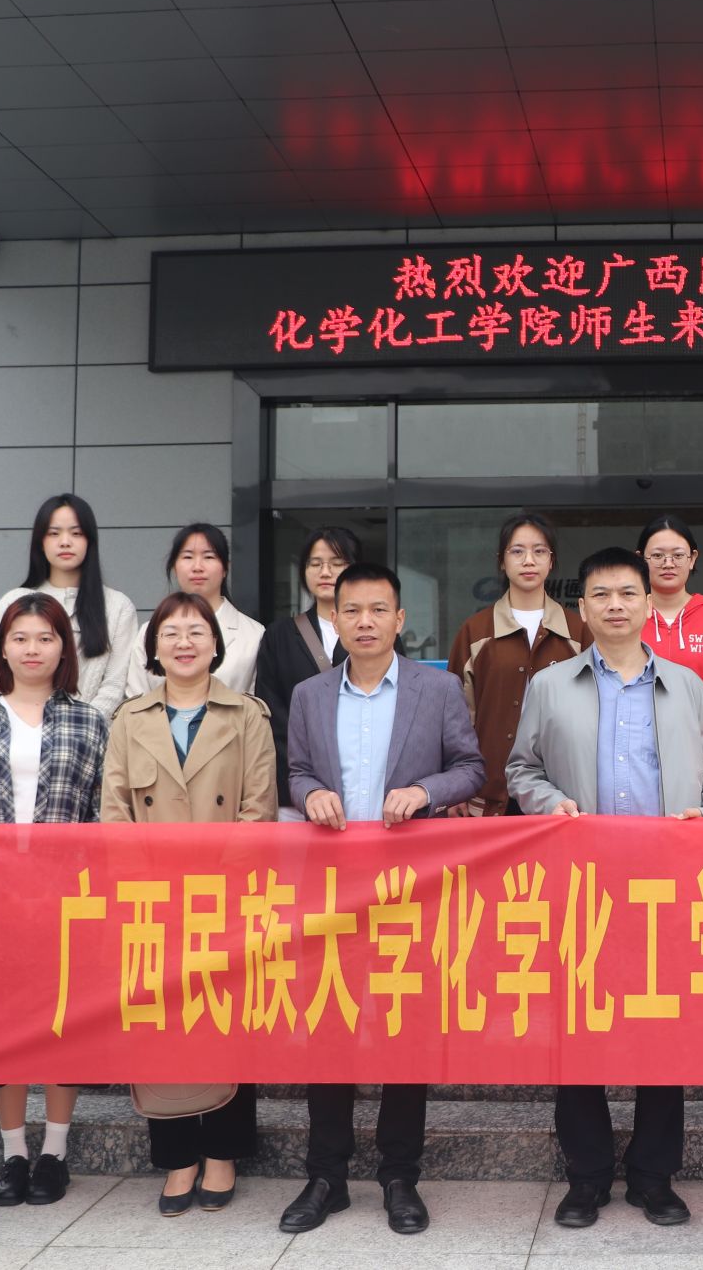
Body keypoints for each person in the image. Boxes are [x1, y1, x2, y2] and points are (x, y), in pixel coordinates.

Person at [506, 546, 703, 1231]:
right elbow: (522, 769)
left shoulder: (685, 684)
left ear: (648, 602)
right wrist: (550, 803)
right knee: (577, 1032)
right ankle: (587, 1176)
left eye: (627, 593)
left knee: (662, 1032)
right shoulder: (551, 685)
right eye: (600, 594)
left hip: (666, 886)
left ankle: (654, 1176)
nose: (615, 605)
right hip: (582, 887)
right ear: (582, 607)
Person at [279, 562, 485, 1237]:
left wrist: (425, 791)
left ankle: (400, 1175)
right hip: (332, 890)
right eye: (352, 610)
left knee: (406, 1031)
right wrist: (311, 792)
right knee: (328, 1029)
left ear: (400, 619)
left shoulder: (437, 688)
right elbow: (298, 769)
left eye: (378, 610)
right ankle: (326, 1175)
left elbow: (472, 768)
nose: (364, 621)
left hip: (408, 892)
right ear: (333, 618)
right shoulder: (309, 694)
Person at [101, 591, 276, 1215]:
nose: (183, 641)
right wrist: (147, 890)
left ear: (215, 644)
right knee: (162, 1026)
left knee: (227, 1022)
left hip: (225, 899)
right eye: (170, 631)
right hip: (152, 902)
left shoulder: (248, 715)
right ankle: (176, 1158)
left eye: (196, 630)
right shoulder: (129, 719)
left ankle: (224, 1153)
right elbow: (115, 815)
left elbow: (258, 811)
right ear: (153, 647)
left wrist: (213, 890)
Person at [0, 593, 107, 1208]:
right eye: (21, 637)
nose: (33, 649)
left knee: (64, 1018)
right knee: (3, 1022)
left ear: (64, 648)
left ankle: (54, 1152)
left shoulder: (90, 723)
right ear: (3, 648)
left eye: (46, 637)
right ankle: (13, 1153)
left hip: (66, 896)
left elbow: (103, 810)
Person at [446, 512, 590, 816]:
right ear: (502, 561)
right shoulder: (476, 631)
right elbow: (456, 719)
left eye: (539, 551)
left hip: (562, 793)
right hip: (488, 790)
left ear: (551, 560)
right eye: (517, 551)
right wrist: (454, 784)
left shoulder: (577, 631)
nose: (529, 561)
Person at [0, 493, 140, 720]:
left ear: (90, 540)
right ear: (40, 542)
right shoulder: (13, 601)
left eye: (76, 533)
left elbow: (114, 685)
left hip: (92, 735)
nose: (65, 542)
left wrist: (77, 728)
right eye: (54, 533)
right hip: (20, 731)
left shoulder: (118, 606)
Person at [254, 525, 359, 818]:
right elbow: (271, 711)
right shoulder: (279, 635)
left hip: (365, 786)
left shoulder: (374, 632)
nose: (325, 572)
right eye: (315, 564)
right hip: (299, 792)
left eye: (337, 563)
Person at [126, 523, 264, 699]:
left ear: (225, 568)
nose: (197, 567)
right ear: (174, 567)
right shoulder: (149, 631)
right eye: (188, 557)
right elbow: (136, 700)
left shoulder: (254, 634)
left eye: (209, 557)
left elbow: (255, 703)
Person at [636, 514, 703, 734]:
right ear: (640, 560)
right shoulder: (627, 617)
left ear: (692, 558)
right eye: (657, 555)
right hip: (636, 741)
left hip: (700, 745)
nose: (668, 564)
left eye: (677, 555)